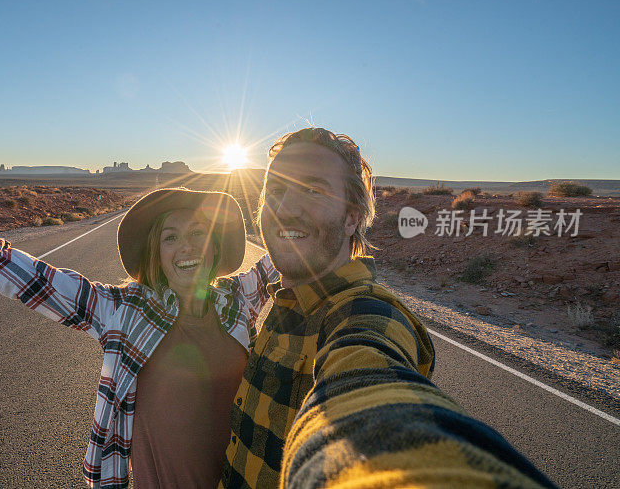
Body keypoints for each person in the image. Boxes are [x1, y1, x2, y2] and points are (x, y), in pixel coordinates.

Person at [0, 173, 279, 489]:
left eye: (199, 234)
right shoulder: (124, 311)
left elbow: (296, 251)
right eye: (171, 237)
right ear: (157, 252)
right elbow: (30, 277)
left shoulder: (238, 300)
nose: (187, 247)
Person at [218, 127, 555, 488]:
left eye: (313, 190)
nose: (284, 210)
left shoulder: (367, 315)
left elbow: (368, 384)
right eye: (276, 191)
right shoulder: (278, 300)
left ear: (352, 217)